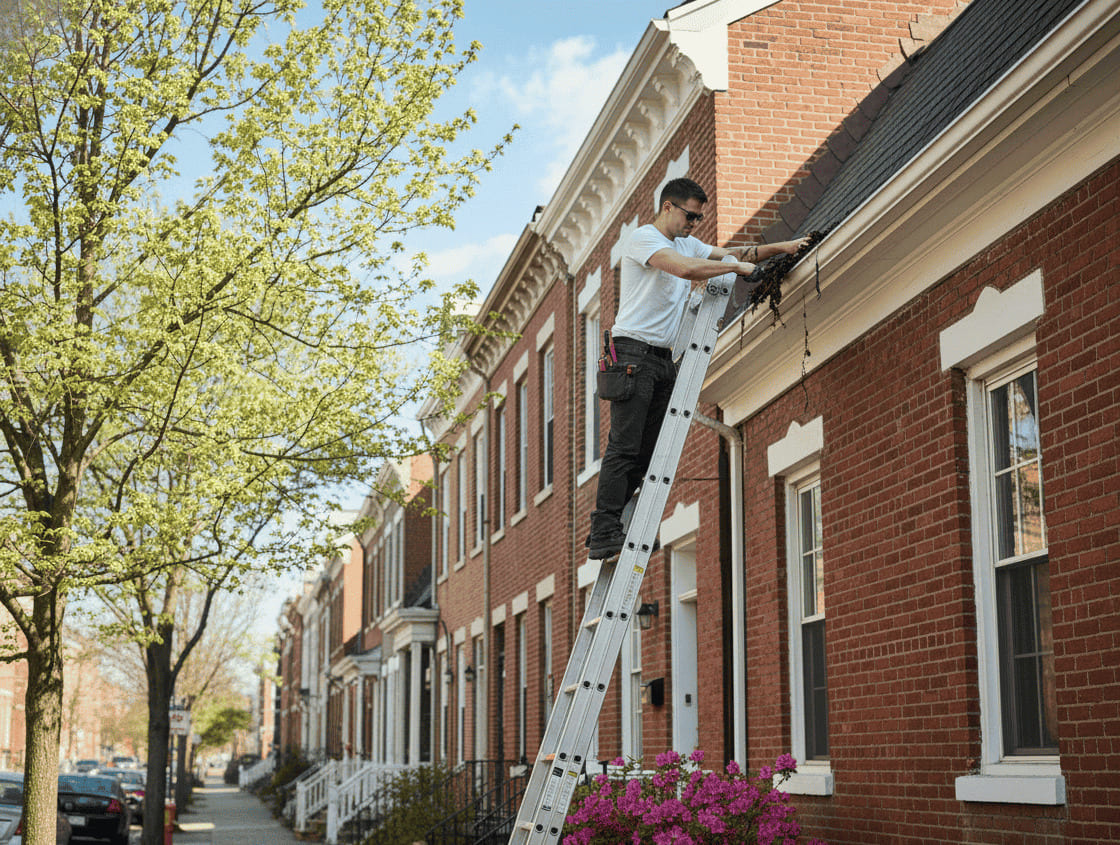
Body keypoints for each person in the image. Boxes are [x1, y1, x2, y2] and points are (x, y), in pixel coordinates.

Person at [585, 177, 810, 559]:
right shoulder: (644, 239)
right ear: (669, 207)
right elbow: (686, 270)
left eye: (699, 219)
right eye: (690, 216)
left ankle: (615, 526)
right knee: (624, 447)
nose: (694, 225)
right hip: (631, 357)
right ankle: (605, 528)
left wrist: (781, 248)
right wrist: (735, 268)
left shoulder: (688, 243)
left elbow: (733, 253)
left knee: (648, 451)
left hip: (659, 359)